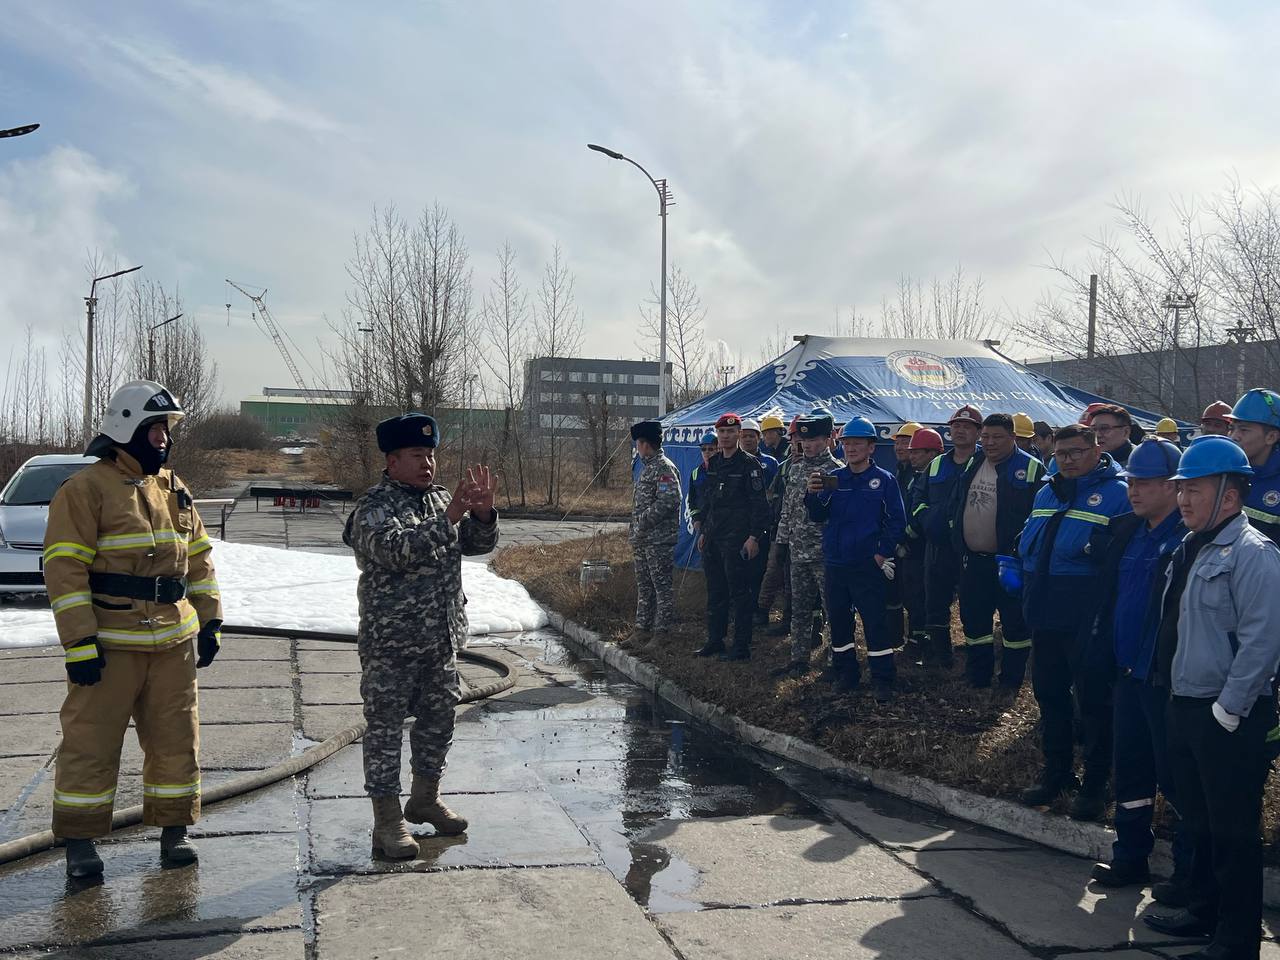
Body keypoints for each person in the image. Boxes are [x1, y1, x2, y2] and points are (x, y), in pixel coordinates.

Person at [44, 380, 221, 878]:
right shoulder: (83, 491)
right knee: (91, 741)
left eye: (167, 430)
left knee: (176, 738)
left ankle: (174, 833)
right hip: (111, 642)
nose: (164, 439)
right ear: (128, 429)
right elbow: (65, 571)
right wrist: (79, 642)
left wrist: (211, 621)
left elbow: (201, 560)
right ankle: (80, 843)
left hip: (173, 640)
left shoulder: (175, 489)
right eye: (156, 429)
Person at [1142, 436, 1280, 960]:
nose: (1182, 500)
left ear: (1229, 495)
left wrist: (1228, 709)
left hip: (1227, 718)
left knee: (1233, 833)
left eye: (1193, 490)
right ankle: (1203, 912)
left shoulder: (1254, 554)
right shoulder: (1190, 545)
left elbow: (1264, 641)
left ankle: (1237, 939)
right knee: (1198, 823)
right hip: (1186, 704)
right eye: (1181, 490)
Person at [342, 413, 498, 859]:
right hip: (392, 644)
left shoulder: (440, 498)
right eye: (416, 456)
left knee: (437, 724)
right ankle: (387, 820)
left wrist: (483, 514)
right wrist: (450, 515)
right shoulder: (375, 506)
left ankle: (425, 797)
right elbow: (396, 550)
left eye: (430, 455)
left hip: (440, 640)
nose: (427, 464)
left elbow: (475, 543)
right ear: (392, 461)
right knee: (386, 730)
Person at [1081, 438, 1192, 897]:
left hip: (1164, 682)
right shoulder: (1129, 530)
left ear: (1173, 486)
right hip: (1127, 674)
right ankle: (1130, 857)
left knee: (1178, 779)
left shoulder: (1186, 540)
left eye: (1145, 483)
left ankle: (1188, 877)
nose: (1134, 491)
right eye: (1132, 482)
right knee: (1130, 770)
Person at [1018, 423, 1129, 817]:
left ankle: (1096, 784)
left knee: (1095, 702)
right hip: (1044, 608)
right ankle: (1058, 772)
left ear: (1096, 449)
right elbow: (1033, 538)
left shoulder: (1119, 493)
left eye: (1076, 452)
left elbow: (1124, 550)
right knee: (1049, 696)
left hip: (1087, 613)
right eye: (1061, 453)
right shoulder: (1048, 490)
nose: (1066, 459)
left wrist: (1097, 547)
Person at [806, 416, 906, 700]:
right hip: (836, 564)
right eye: (847, 443)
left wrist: (880, 554)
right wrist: (812, 495)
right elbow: (818, 516)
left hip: (866, 565)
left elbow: (896, 522)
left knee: (875, 621)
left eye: (857, 443)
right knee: (839, 621)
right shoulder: (836, 479)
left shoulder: (884, 481)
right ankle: (846, 673)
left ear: (871, 447)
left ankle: (882, 678)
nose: (851, 448)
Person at [949, 413, 1043, 690]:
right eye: (985, 436)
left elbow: (1041, 516)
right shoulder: (973, 463)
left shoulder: (1032, 469)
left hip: (1010, 563)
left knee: (1014, 624)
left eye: (997, 437)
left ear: (1013, 438)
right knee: (974, 619)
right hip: (973, 561)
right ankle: (978, 675)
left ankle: (1010, 680)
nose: (989, 442)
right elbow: (957, 501)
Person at [694, 413, 770, 661]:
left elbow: (760, 505)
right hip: (715, 537)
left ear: (739, 433)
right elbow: (709, 502)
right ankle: (715, 640)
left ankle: (741, 647)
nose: (725, 436)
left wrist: (754, 537)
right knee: (715, 592)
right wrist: (704, 531)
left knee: (740, 594)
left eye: (730, 432)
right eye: (721, 432)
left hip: (737, 538)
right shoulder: (713, 464)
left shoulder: (750, 465)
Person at [912, 405, 982, 669]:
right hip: (938, 546)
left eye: (967, 426)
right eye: (956, 425)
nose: (960, 430)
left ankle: (976, 662)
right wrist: (927, 519)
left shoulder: (984, 464)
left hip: (971, 547)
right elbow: (918, 497)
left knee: (972, 604)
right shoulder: (938, 464)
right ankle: (940, 655)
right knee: (935, 603)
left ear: (978, 432)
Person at [772, 413, 842, 675]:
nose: (807, 444)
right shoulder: (796, 468)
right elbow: (788, 508)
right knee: (799, 609)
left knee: (832, 608)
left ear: (827, 439)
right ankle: (798, 659)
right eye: (803, 439)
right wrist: (781, 542)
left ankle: (836, 659)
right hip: (797, 551)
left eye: (813, 439)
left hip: (824, 553)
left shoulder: (836, 470)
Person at [624, 420, 681, 652]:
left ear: (645, 444)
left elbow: (670, 499)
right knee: (645, 587)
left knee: (661, 587)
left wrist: (644, 520)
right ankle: (642, 629)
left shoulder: (663, 467)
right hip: (643, 539)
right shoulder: (647, 467)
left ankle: (662, 632)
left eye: (639, 443)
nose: (638, 448)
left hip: (658, 540)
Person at [900, 427, 944, 660]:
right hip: (911, 546)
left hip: (925, 546)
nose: (912, 455)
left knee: (925, 594)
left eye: (917, 452)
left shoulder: (935, 478)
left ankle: (929, 642)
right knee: (912, 594)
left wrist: (909, 534)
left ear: (932, 453)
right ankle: (916, 637)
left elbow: (925, 514)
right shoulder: (914, 475)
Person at [758, 418, 802, 631]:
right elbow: (771, 495)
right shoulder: (784, 466)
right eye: (795, 440)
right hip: (782, 529)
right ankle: (769, 613)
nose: (798, 445)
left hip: (809, 537)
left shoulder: (828, 467)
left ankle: (806, 624)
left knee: (798, 581)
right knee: (779, 572)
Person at [1226, 387, 1280, 545]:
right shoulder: (1223, 473)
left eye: (1243, 429)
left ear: (1271, 437)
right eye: (1231, 428)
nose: (1234, 436)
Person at [885, 423, 921, 648]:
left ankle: (917, 640)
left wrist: (906, 539)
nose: (899, 446)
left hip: (914, 545)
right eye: (897, 442)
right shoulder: (900, 470)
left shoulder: (918, 474)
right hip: (896, 541)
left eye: (905, 441)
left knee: (914, 592)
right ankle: (894, 636)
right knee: (893, 590)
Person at [686, 431, 718, 530]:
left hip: (720, 522)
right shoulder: (695, 473)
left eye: (711, 449)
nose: (707, 452)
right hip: (702, 522)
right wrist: (696, 519)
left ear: (718, 450)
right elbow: (692, 500)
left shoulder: (724, 470)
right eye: (703, 449)